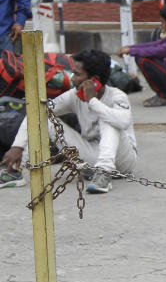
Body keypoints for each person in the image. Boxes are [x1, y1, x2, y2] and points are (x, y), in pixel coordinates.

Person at [0, 49, 137, 194]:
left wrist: (93, 101)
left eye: (77, 74)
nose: (72, 78)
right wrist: (17, 147)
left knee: (109, 118)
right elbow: (38, 113)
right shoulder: (74, 96)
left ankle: (104, 172)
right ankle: (14, 171)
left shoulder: (117, 96)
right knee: (44, 118)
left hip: (123, 160)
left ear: (94, 79)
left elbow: (123, 121)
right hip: (92, 153)